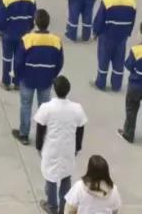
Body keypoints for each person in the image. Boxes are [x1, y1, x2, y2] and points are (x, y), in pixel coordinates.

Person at [34, 75, 87, 214]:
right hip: (68, 148)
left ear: (54, 89)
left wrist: (39, 146)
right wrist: (77, 147)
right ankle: (63, 208)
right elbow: (80, 129)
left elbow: (40, 129)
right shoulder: (76, 108)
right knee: (66, 177)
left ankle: (52, 207)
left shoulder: (46, 108)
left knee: (50, 178)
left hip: (51, 148)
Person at [12, 9, 64, 146]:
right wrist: (52, 75)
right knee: (44, 108)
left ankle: (24, 135)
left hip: (27, 79)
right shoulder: (56, 41)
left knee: (26, 105)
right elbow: (59, 63)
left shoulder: (27, 39)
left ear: (35, 22)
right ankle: (42, 137)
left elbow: (18, 62)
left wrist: (18, 76)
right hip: (46, 80)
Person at [91, 0, 136, 92]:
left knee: (103, 60)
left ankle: (101, 83)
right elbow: (132, 20)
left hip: (107, 36)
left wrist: (96, 32)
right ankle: (116, 85)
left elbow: (100, 19)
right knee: (118, 61)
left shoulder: (107, 2)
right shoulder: (131, 2)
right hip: (122, 37)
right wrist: (128, 33)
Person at [0, 0, 36, 91]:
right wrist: (29, 27)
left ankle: (6, 82)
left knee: (7, 58)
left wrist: (0, 30)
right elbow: (33, 15)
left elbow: (1, 18)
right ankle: (17, 82)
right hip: (24, 33)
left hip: (9, 33)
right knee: (20, 58)